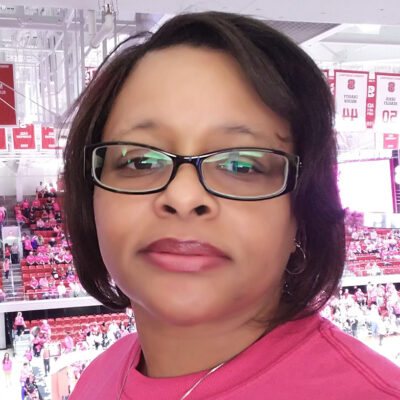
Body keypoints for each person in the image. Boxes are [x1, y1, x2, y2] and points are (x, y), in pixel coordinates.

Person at [63, 12, 400, 400]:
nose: (184, 197)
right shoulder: (96, 379)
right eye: (140, 161)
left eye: (240, 165)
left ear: (303, 210)